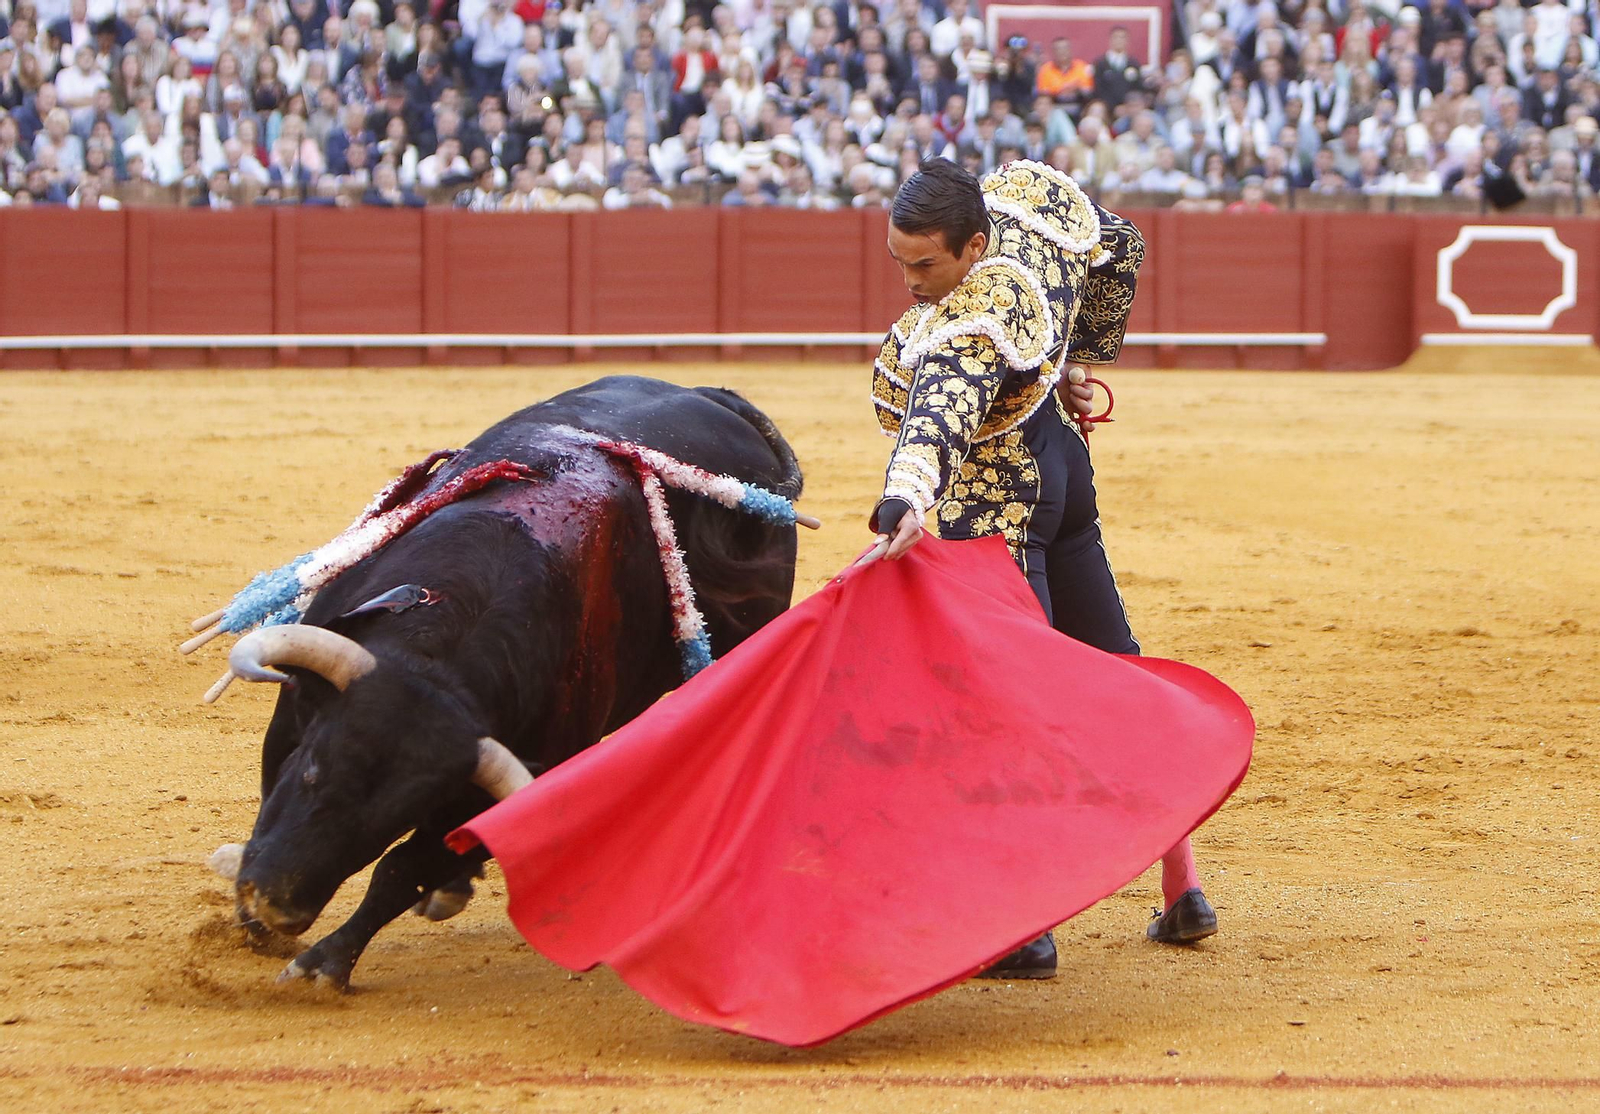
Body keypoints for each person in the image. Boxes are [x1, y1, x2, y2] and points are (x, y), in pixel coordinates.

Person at [859, 158, 1218, 978]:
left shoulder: (970, 322)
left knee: (1011, 713)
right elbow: (1118, 245)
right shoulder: (1032, 212)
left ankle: (1027, 929)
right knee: (1117, 670)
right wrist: (1078, 363)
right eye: (901, 264)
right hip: (1063, 465)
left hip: (1003, 505)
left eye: (928, 264)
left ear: (974, 245)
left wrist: (905, 498)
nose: (915, 283)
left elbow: (938, 415)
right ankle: (1183, 888)